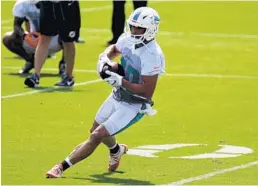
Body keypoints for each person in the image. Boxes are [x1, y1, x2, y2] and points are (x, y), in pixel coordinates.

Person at [46, 7, 165, 178]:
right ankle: (116, 150)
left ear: (151, 30)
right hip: (118, 95)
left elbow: (146, 92)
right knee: (95, 130)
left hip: (135, 104)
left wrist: (120, 80)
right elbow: (115, 49)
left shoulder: (153, 55)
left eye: (139, 28)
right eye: (132, 26)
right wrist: (105, 58)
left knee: (97, 135)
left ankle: (60, 167)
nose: (134, 31)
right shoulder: (128, 38)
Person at [24, 0, 81, 88]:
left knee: (68, 41)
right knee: (44, 37)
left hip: (66, 5)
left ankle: (69, 77)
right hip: (48, 4)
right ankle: (35, 75)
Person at [2, 0, 65, 75]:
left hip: (53, 40)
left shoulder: (56, 3)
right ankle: (30, 60)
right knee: (8, 38)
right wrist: (24, 35)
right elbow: (16, 25)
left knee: (67, 37)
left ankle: (63, 64)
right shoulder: (23, 4)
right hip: (34, 40)